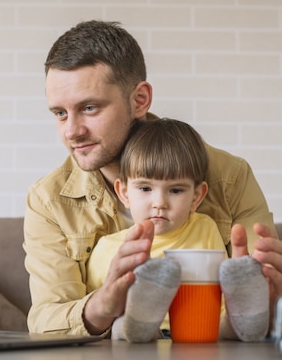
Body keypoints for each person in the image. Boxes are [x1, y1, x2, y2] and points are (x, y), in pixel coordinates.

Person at [24, 20, 282, 338]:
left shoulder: (228, 177)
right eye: (59, 113)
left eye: (89, 107)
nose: (71, 131)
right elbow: (45, 321)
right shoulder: (49, 200)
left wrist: (271, 302)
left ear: (139, 99)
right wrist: (106, 303)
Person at [86, 118, 270, 343]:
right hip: (141, 342)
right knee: (119, 327)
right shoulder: (109, 248)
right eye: (145, 188)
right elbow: (96, 310)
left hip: (203, 328)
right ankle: (139, 324)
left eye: (175, 191)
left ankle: (243, 319)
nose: (160, 202)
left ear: (197, 196)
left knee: (223, 324)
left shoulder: (205, 228)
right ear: (123, 193)